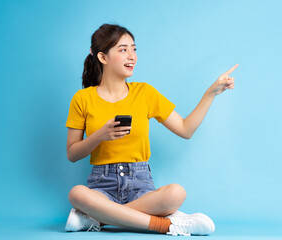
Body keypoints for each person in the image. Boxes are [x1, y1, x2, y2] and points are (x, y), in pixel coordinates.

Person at [64, 23, 238, 236]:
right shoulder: (82, 99)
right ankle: (166, 225)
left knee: (176, 193)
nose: (132, 56)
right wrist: (100, 135)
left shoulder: (145, 93)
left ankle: (96, 219)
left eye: (134, 49)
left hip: (140, 186)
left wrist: (211, 93)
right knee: (77, 194)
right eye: (123, 49)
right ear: (102, 57)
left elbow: (186, 129)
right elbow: (72, 154)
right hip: (102, 185)